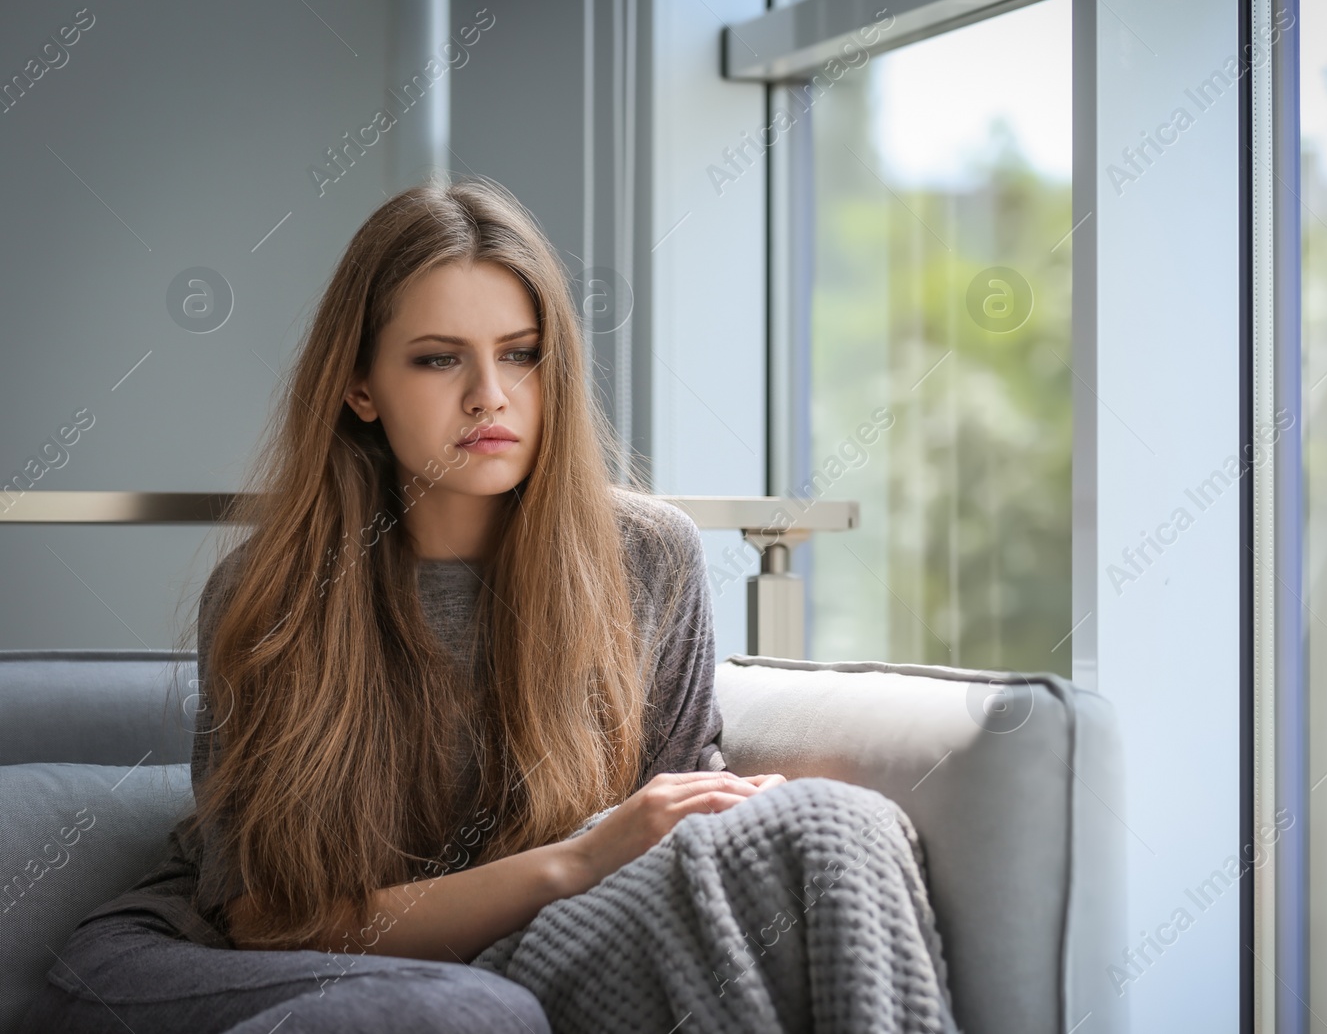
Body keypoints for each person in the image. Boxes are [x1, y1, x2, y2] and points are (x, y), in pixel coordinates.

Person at [22, 177, 957, 1033]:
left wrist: (635, 857)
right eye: (437, 360)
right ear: (360, 388)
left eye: (522, 355)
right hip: (216, 961)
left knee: (844, 825)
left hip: (516, 951)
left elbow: (670, 855)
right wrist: (576, 863)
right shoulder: (274, 594)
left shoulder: (647, 557)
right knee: (473, 1012)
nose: (490, 396)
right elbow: (268, 919)